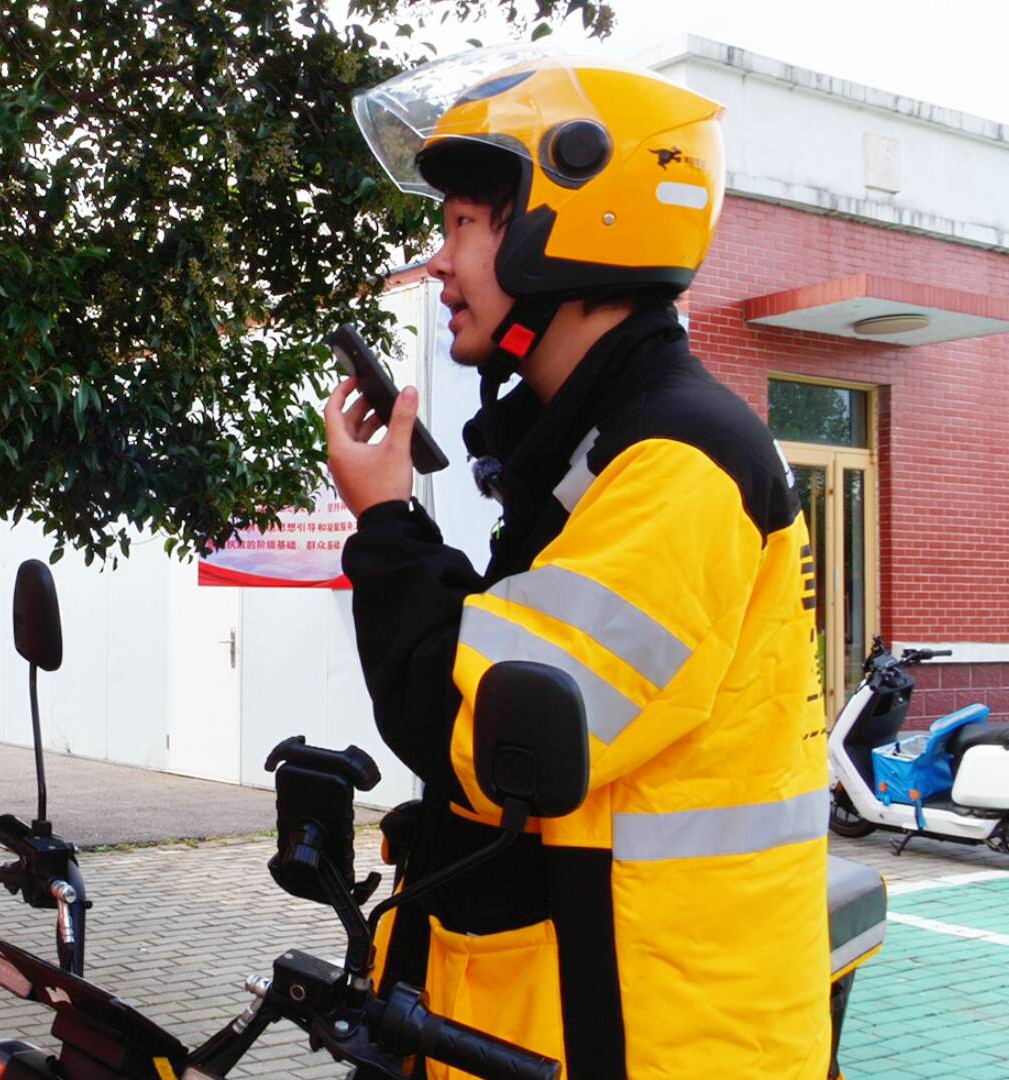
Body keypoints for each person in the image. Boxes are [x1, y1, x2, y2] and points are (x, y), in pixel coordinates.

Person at [326, 45, 829, 1079]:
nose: (437, 263)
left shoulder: (678, 465)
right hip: (568, 1023)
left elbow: (474, 725)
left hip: (660, 1044)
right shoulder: (593, 452)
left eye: (462, 225)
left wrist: (386, 523)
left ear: (573, 228)